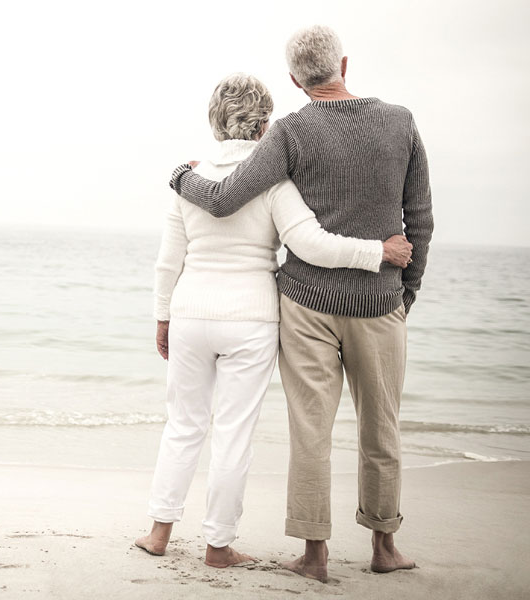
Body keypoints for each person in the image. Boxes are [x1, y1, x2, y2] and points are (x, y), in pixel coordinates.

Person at [169, 27, 433, 582]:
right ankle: (384, 547)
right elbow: (420, 219)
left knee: (310, 430)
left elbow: (222, 197)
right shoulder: (402, 121)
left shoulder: (289, 132)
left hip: (306, 304)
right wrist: (404, 293)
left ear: (294, 79)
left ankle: (314, 557)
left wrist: (177, 178)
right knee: (381, 427)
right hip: (380, 303)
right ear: (342, 61)